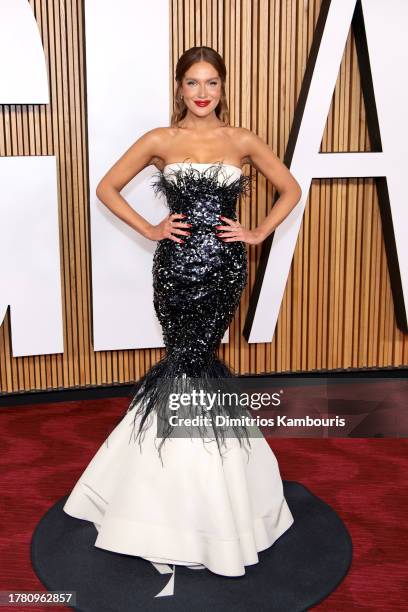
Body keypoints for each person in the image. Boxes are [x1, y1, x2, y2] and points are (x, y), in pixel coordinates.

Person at [63, 46, 302, 580]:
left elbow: (291, 188)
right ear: (179, 87)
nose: (201, 92)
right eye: (192, 82)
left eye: (211, 83)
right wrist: (150, 230)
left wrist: (257, 232)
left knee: (199, 361)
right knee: (182, 362)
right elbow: (105, 187)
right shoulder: (159, 141)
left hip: (222, 270)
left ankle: (205, 492)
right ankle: (171, 494)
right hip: (174, 271)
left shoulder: (240, 139)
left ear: (222, 87)